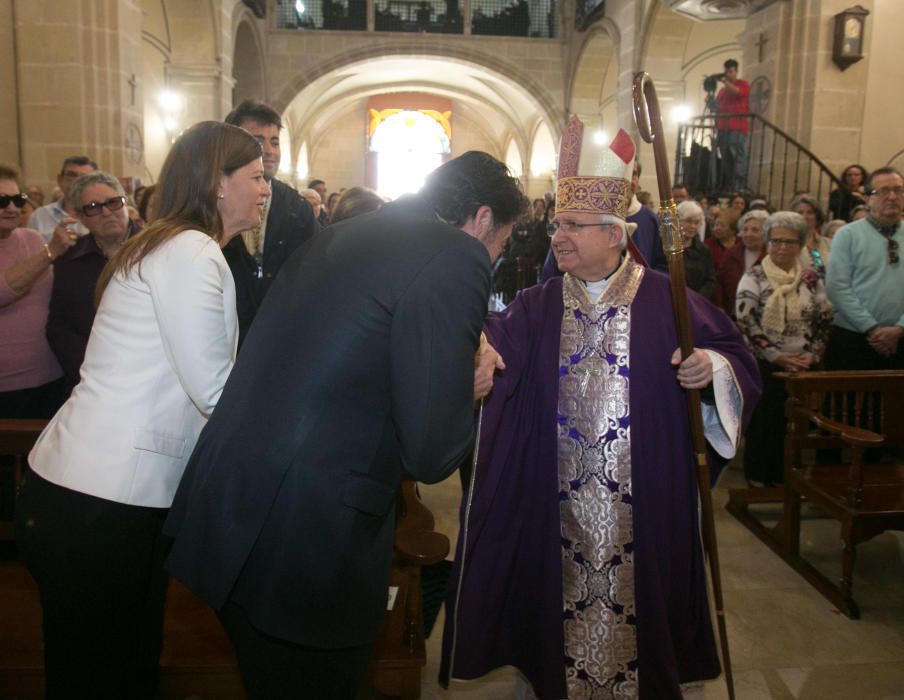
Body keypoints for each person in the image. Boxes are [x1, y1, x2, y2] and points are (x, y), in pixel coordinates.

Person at [163, 151, 528, 699]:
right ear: (480, 218)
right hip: (309, 535)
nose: (494, 254)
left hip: (237, 507)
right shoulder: (455, 253)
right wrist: (466, 384)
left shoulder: (351, 231)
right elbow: (431, 452)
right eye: (501, 240)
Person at [439, 122, 760, 700]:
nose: (556, 237)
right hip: (555, 502)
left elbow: (737, 355)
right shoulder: (537, 305)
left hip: (647, 501)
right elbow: (486, 343)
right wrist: (478, 349)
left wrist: (710, 367)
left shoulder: (667, 298)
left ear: (615, 234)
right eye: (557, 224)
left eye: (572, 227)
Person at [15, 121, 269, 700]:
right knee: (97, 674)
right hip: (99, 499)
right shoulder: (190, 251)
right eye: (254, 176)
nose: (264, 188)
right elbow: (214, 389)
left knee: (120, 666)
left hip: (103, 493)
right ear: (216, 183)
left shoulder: (170, 244)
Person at [735, 211, 833, 486]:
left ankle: (789, 478)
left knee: (797, 426)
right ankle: (759, 477)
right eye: (776, 241)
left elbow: (825, 318)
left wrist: (812, 354)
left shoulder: (811, 278)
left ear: (801, 245)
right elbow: (745, 321)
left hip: (804, 363)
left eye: (789, 242)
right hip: (765, 364)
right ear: (767, 243)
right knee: (766, 423)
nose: (782, 247)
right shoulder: (754, 276)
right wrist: (776, 355)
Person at [224, 100, 320, 344]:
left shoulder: (297, 208)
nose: (268, 150)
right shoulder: (215, 202)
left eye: (274, 142)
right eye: (257, 140)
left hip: (281, 334)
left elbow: (312, 273)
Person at [46, 171, 142, 399]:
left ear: (125, 202)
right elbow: (60, 327)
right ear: (81, 217)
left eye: (113, 203)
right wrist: (93, 372)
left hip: (152, 375)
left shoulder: (157, 249)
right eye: (93, 207)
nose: (106, 212)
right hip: (92, 383)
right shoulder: (69, 261)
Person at [0, 164, 73, 419]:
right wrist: (50, 252)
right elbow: (7, 289)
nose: (11, 208)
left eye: (17, 199)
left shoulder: (31, 238)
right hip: (5, 385)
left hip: (50, 373)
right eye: (2, 200)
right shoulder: (44, 248)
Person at [825, 167, 904, 371]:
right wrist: (872, 328)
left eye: (899, 190)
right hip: (854, 338)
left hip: (901, 338)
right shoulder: (847, 235)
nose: (893, 197)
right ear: (868, 198)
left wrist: (899, 328)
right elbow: (837, 287)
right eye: (884, 191)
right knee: (850, 402)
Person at [27, 155, 97, 241]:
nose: (76, 181)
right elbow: (31, 252)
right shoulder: (40, 216)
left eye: (84, 178)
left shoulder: (103, 214)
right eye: (71, 175)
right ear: (60, 180)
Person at [714, 209, 768, 316]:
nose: (748, 234)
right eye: (745, 230)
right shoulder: (731, 254)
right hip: (732, 315)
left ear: (766, 232)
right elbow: (719, 282)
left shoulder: (770, 257)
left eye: (755, 230)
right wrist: (719, 307)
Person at [715, 59, 750, 192]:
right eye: (726, 72)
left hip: (737, 127)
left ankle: (739, 185)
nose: (728, 74)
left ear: (736, 71)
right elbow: (717, 107)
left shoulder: (743, 84)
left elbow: (737, 92)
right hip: (723, 129)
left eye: (730, 71)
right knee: (726, 158)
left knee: (737, 156)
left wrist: (725, 82)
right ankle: (730, 184)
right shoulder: (722, 92)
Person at [678, 199, 717, 299]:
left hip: (697, 302)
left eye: (696, 223)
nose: (693, 226)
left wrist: (697, 298)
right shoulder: (666, 248)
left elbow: (710, 279)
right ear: (677, 221)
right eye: (688, 221)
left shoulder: (703, 250)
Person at [791, 194, 830, 275]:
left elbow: (820, 267)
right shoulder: (788, 243)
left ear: (817, 216)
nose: (804, 216)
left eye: (810, 212)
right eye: (800, 212)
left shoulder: (829, 244)